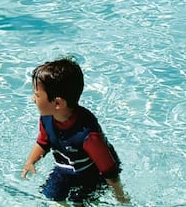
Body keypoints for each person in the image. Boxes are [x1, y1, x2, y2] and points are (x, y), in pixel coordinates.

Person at [20, 58, 129, 203]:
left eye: (37, 95)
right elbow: (43, 142)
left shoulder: (87, 134)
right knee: (50, 196)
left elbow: (109, 169)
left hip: (92, 174)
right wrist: (31, 161)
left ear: (58, 103)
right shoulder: (47, 118)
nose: (33, 99)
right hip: (65, 169)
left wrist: (120, 196)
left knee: (78, 201)